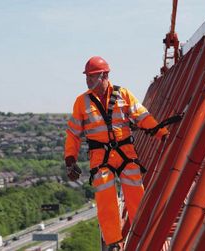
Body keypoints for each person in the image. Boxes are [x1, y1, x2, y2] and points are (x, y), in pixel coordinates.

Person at [64, 56, 168, 250]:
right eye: (87, 77)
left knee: (136, 192)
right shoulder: (82, 102)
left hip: (125, 155)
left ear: (104, 75)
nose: (88, 80)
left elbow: (142, 116)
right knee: (105, 198)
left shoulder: (123, 95)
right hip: (101, 159)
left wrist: (161, 133)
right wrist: (70, 159)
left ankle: (143, 235)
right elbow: (73, 134)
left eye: (92, 76)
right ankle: (113, 241)